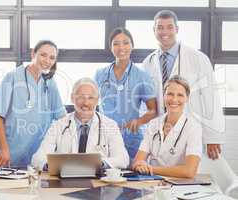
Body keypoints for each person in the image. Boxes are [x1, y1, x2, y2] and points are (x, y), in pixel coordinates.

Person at [142, 10, 224, 160]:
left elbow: (211, 97)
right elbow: (148, 102)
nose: (164, 31)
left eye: (169, 27)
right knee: (163, 175)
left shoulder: (197, 58)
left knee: (190, 175)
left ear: (177, 29)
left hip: (192, 129)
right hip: (163, 130)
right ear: (154, 30)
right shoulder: (148, 62)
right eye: (160, 27)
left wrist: (213, 137)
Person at [0, 40, 66, 169]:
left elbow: (61, 117)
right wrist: (4, 150)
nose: (47, 61)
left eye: (52, 58)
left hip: (37, 156)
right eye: (43, 55)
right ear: (33, 54)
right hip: (10, 153)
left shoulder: (50, 83)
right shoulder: (12, 77)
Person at [31, 78, 129, 170]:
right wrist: (52, 165)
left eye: (91, 98)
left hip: (98, 181)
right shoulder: (58, 125)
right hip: (64, 182)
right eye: (81, 97)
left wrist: (100, 163)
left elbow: (123, 159)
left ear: (97, 100)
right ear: (72, 98)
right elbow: (37, 159)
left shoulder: (110, 125)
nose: (86, 103)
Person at [94, 27, 157, 160]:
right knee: (104, 174)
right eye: (116, 43)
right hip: (105, 136)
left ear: (132, 46)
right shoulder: (100, 74)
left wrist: (138, 121)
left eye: (126, 42)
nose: (121, 47)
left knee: (132, 176)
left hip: (131, 139)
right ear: (111, 47)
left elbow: (153, 110)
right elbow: (91, 104)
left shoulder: (141, 76)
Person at [132, 75, 202, 178]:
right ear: (164, 96)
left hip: (181, 187)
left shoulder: (193, 127)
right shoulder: (153, 124)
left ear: (187, 98)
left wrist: (151, 169)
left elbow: (189, 171)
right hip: (153, 184)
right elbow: (137, 161)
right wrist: (139, 166)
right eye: (170, 94)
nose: (174, 99)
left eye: (180, 95)